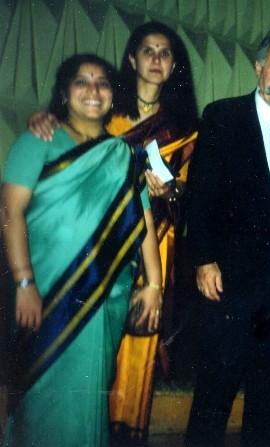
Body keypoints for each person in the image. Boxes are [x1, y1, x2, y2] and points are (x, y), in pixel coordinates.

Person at [27, 21, 198, 443]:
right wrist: (44, 120)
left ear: (174, 64)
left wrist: (171, 191)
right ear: (131, 58)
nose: (156, 59)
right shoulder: (106, 115)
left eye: (165, 53)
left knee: (137, 346)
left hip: (153, 243)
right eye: (148, 50)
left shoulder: (185, 131)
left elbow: (192, 200)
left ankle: (121, 435)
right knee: (87, 340)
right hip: (97, 245)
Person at [1, 54, 162, 447]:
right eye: (82, 82)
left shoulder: (126, 155)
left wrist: (154, 284)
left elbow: (144, 224)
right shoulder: (37, 140)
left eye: (103, 82)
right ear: (63, 92)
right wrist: (24, 283)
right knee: (40, 398)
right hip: (44, 293)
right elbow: (10, 212)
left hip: (103, 297)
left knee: (88, 397)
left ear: (112, 94)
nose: (93, 90)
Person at [184, 30, 270, 447]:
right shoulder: (222, 116)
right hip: (230, 282)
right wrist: (204, 259)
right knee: (214, 393)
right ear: (259, 68)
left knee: (266, 396)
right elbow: (201, 193)